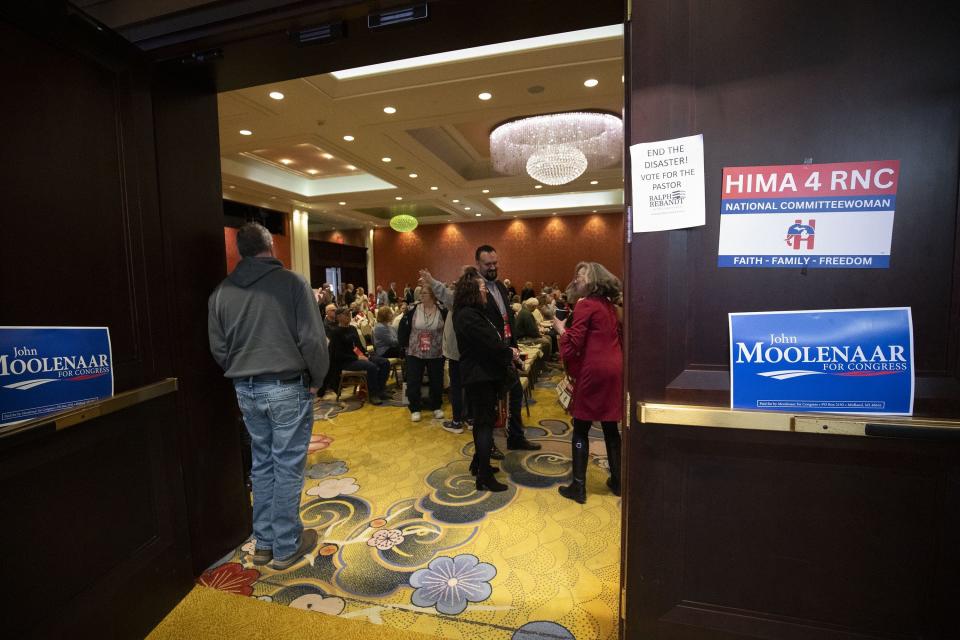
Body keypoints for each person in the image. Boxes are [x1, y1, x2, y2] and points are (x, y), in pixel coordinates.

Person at [208, 222, 327, 570]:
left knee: (262, 464)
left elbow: (218, 348)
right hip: (286, 385)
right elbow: (313, 339)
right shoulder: (291, 283)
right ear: (271, 246)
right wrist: (318, 378)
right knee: (287, 465)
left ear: (241, 250)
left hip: (244, 388)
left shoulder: (221, 292)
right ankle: (287, 544)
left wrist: (243, 368)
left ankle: (264, 543)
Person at [553, 262, 623, 504]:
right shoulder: (610, 306)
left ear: (592, 280)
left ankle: (578, 487)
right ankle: (617, 482)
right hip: (615, 368)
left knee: (581, 427)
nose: (576, 280)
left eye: (580, 276)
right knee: (611, 428)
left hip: (594, 370)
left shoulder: (586, 305)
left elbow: (575, 342)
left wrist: (561, 330)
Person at [475, 245, 541, 453]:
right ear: (478, 264)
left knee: (515, 393)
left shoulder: (502, 288)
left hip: (506, 352)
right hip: (487, 358)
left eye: (495, 263)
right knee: (490, 406)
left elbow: (507, 321)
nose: (493, 267)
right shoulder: (475, 291)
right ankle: (489, 446)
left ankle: (515, 437)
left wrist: (513, 349)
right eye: (488, 264)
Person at [453, 267, 513, 492]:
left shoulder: (473, 313)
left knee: (483, 422)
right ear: (472, 291)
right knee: (484, 424)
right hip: (480, 376)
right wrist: (509, 354)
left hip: (481, 374)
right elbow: (491, 344)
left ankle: (479, 464)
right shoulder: (468, 315)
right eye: (482, 289)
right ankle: (484, 477)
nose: (486, 292)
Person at [420, 268, 466, 434]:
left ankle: (457, 422)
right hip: (466, 352)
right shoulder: (474, 299)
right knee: (468, 387)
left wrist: (430, 279)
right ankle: (470, 418)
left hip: (456, 352)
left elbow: (443, 293)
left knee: (456, 386)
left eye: (458, 280)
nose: (454, 282)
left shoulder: (459, 300)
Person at [398, 284, 446, 422]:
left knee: (436, 380)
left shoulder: (442, 310)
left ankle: (436, 407)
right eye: (421, 293)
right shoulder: (413, 309)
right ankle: (415, 408)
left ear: (433, 295)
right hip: (415, 351)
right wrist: (404, 346)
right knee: (414, 380)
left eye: (425, 293)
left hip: (436, 351)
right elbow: (403, 327)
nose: (421, 296)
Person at [328, 307, 390, 404]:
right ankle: (373, 394)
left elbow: (357, 347)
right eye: (346, 315)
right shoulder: (336, 332)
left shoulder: (352, 328)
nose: (349, 316)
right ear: (339, 317)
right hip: (346, 362)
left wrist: (365, 355)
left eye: (349, 314)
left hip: (357, 358)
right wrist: (357, 357)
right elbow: (338, 354)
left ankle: (380, 390)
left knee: (384, 362)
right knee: (371, 367)